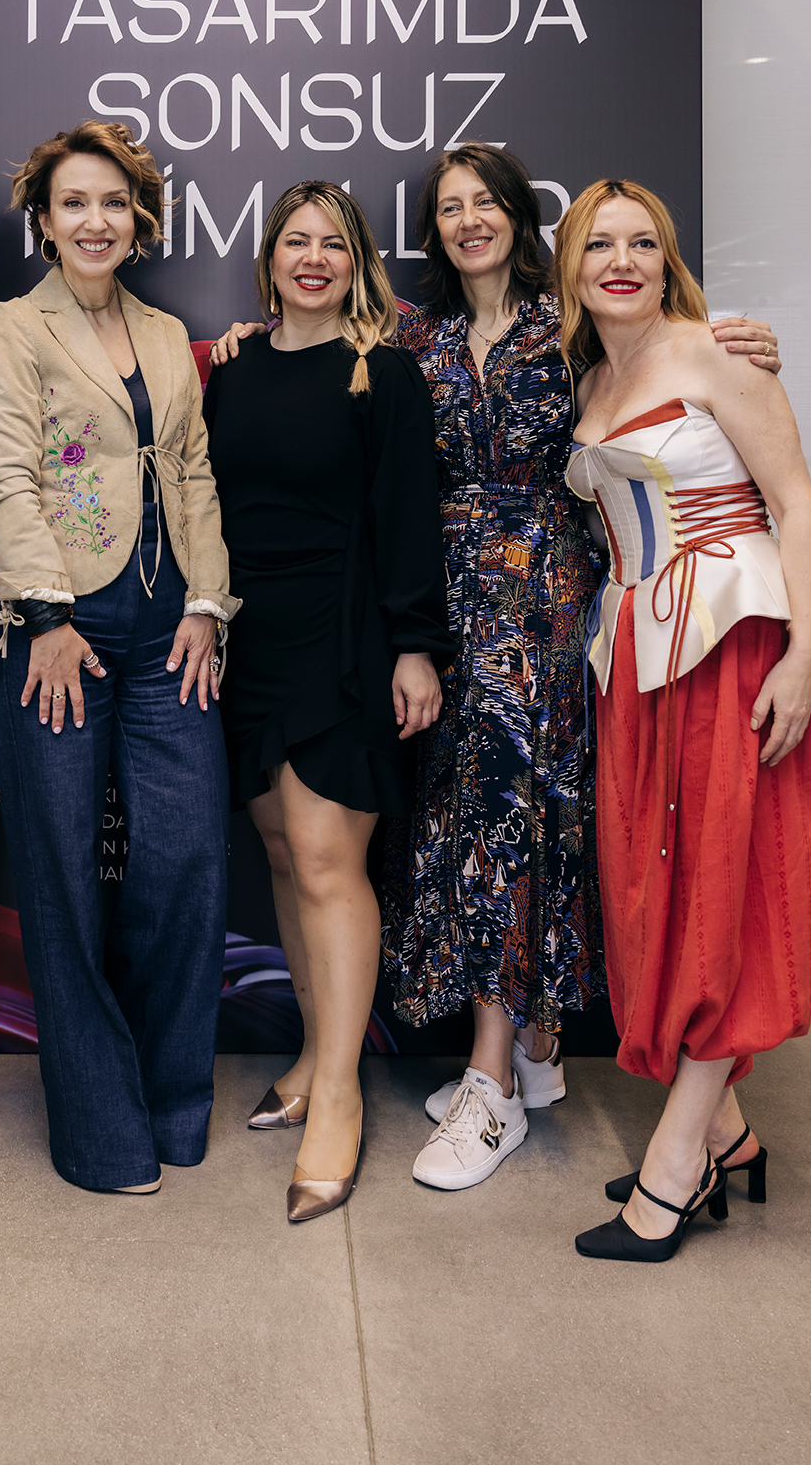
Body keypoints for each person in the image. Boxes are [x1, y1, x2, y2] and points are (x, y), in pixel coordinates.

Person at [214, 146, 780, 1197]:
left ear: (518, 217)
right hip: (437, 610)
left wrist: (735, 341)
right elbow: (312, 367)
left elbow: (665, 359)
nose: (469, 219)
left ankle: (499, 1075)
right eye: (450, 207)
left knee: (526, 821)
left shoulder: (569, 326)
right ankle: (535, 1051)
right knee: (459, 827)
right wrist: (245, 342)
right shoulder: (410, 338)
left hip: (549, 609)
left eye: (486, 203)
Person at [558, 178, 811, 1263]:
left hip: (732, 646)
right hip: (634, 654)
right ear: (572, 265)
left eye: (641, 243)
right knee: (654, 896)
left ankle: (676, 1169)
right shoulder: (588, 375)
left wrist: (804, 654)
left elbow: (795, 504)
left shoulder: (719, 354)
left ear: (667, 258)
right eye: (599, 245)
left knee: (724, 890)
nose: (620, 262)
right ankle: (730, 1135)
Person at [0, 121, 236, 1196]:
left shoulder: (167, 334)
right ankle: (97, 1131)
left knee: (187, 861)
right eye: (74, 202)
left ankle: (171, 1103)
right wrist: (44, 615)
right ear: (43, 220)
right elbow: (4, 475)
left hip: (170, 628)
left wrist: (209, 603)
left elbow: (196, 474)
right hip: (61, 634)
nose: (95, 220)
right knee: (62, 880)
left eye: (114, 202)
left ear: (139, 219)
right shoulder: (15, 326)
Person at [202, 181, 455, 1223]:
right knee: (278, 853)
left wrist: (416, 646)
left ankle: (340, 1096)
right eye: (296, 242)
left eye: (333, 244)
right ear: (269, 260)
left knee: (324, 860)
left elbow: (408, 518)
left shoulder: (381, 373)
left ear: (357, 264)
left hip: (343, 639)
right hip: (248, 638)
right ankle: (314, 1054)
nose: (314, 258)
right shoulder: (229, 367)